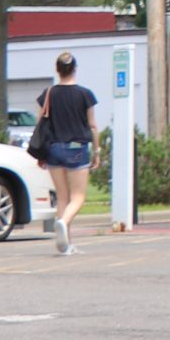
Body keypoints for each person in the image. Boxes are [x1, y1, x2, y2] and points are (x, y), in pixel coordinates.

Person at [36, 52, 100, 254]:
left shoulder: (49, 94)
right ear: (75, 69)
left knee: (62, 197)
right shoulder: (85, 94)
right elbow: (92, 126)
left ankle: (65, 244)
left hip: (54, 148)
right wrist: (97, 151)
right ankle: (63, 222)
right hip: (76, 148)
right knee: (78, 197)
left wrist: (40, 154)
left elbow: (40, 123)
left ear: (57, 70)